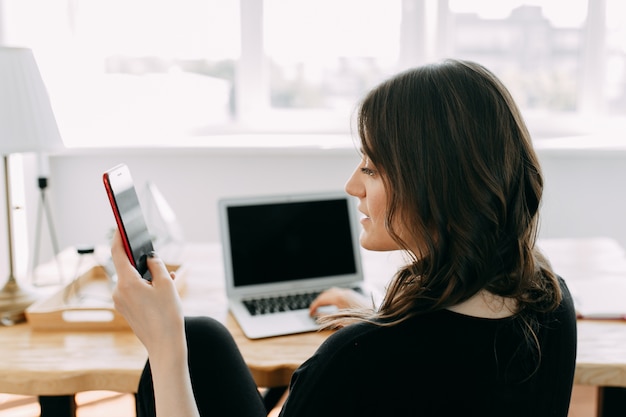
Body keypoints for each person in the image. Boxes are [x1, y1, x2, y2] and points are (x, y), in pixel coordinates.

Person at [111, 59, 577, 417]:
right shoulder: (550, 303)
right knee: (204, 340)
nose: (352, 184)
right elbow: (448, 368)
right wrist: (374, 313)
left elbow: (404, 370)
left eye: (371, 167)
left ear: (431, 186)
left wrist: (165, 348)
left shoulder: (357, 362)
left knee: (185, 348)